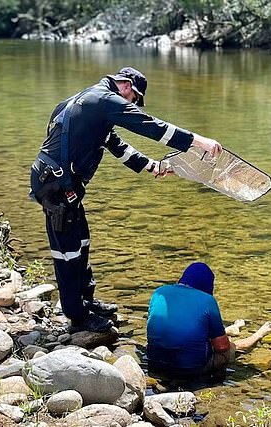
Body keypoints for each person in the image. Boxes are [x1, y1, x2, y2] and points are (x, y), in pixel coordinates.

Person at [30, 67, 222, 333]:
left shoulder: (89, 101)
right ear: (125, 86)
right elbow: (150, 126)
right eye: (134, 98)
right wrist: (198, 141)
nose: (132, 104)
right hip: (56, 187)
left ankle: (86, 301)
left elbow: (116, 144)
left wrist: (151, 166)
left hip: (61, 183)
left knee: (81, 240)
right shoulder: (104, 101)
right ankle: (77, 315)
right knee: (68, 251)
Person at [146, 262, 271, 377]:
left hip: (154, 363)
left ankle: (231, 329)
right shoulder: (207, 300)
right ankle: (259, 334)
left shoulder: (158, 292)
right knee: (229, 349)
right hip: (191, 369)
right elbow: (222, 347)